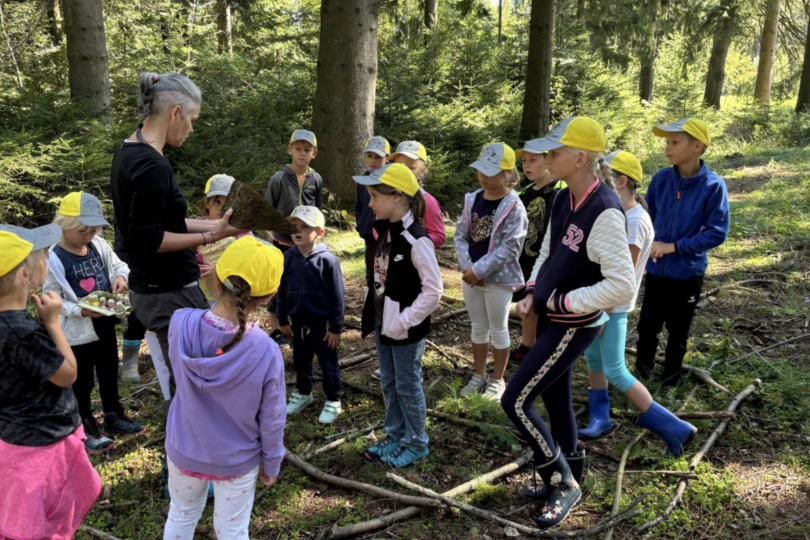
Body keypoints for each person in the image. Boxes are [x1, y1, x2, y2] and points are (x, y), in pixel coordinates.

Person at [505, 117, 636, 528]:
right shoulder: (563, 197)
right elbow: (548, 249)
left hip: (574, 325)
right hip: (550, 316)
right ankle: (573, 470)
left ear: (580, 159)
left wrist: (564, 300)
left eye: (554, 152)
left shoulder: (606, 213)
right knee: (556, 399)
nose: (545, 158)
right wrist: (532, 290)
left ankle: (562, 482)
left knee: (515, 401)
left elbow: (621, 285)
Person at [111, 72, 245, 397]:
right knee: (195, 384)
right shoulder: (153, 165)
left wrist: (215, 226)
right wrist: (210, 237)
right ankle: (189, 445)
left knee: (185, 379)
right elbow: (149, 239)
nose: (192, 128)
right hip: (170, 294)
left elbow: (162, 222)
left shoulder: (127, 151)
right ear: (175, 113)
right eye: (192, 119)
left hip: (150, 291)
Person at [163, 236, 287, 540]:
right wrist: (271, 462)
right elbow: (272, 417)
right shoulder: (266, 351)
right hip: (236, 461)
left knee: (181, 515)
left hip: (183, 452)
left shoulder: (180, 322)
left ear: (215, 279)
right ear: (270, 295)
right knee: (232, 530)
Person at [578, 151, 697, 455]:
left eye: (601, 177)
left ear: (620, 181)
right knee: (593, 359)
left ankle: (675, 427)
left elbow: (624, 273)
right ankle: (600, 417)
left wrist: (602, 311)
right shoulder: (619, 212)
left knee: (616, 369)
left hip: (611, 306)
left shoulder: (635, 221)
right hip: (598, 301)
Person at [0, 224, 101, 540]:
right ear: (24, 277)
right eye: (42, 255)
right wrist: (54, 324)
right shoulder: (23, 333)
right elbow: (68, 374)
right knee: (46, 519)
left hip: (10, 439)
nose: (47, 257)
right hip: (42, 444)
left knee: (18, 514)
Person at [354, 163, 442, 468]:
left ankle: (416, 442)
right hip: (383, 324)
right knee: (389, 382)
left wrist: (404, 321)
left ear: (397, 196)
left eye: (375, 196)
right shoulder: (385, 231)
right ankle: (395, 434)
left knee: (407, 384)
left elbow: (433, 291)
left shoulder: (417, 239)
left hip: (406, 330)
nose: (370, 203)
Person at [44, 192, 146, 453]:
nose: (88, 234)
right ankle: (86, 424)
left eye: (93, 228)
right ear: (64, 225)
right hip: (77, 333)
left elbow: (119, 265)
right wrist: (82, 311)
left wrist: (122, 276)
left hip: (104, 322)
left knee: (109, 370)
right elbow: (53, 299)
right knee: (82, 381)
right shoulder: (54, 258)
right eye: (82, 230)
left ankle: (113, 415)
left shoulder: (99, 245)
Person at [636, 118, 730, 385]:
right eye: (667, 142)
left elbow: (716, 232)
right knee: (647, 326)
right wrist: (649, 243)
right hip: (655, 269)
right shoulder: (662, 179)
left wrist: (674, 247)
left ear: (697, 146)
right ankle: (640, 379)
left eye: (675, 142)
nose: (668, 148)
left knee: (678, 331)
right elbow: (646, 216)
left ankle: (670, 382)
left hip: (688, 273)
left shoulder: (713, 185)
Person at [454, 142, 528, 402]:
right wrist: (468, 267)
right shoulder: (472, 199)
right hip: (470, 276)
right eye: (481, 170)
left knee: (498, 328)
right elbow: (461, 235)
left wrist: (480, 269)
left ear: (507, 173)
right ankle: (479, 374)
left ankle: (498, 379)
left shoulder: (514, 206)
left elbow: (511, 247)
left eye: (491, 172)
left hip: (499, 279)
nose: (484, 176)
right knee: (477, 326)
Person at [278, 206, 345, 424]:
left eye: (305, 226)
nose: (298, 230)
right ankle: (304, 392)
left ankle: (334, 398)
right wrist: (282, 319)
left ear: (320, 232)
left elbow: (337, 296)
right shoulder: (287, 258)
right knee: (300, 360)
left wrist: (335, 328)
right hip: (298, 323)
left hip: (322, 325)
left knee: (327, 362)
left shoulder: (327, 260)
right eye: (294, 226)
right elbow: (281, 290)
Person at [264, 129, 324, 349]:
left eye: (307, 150)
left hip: (307, 242)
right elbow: (268, 209)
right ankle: (276, 329)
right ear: (290, 149)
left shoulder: (316, 179)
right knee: (278, 284)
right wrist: (275, 232)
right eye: (298, 149)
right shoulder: (279, 178)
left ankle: (300, 324)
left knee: (304, 282)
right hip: (282, 241)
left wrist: (315, 233)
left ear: (314, 153)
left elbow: (317, 209)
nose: (302, 153)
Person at [510, 142, 563, 363]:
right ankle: (527, 344)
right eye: (524, 161)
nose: (527, 165)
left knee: (545, 304)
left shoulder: (560, 191)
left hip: (549, 258)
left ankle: (546, 347)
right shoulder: (525, 194)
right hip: (526, 258)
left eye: (533, 160)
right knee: (527, 303)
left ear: (548, 159)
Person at [195, 174, 253, 303]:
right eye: (217, 202)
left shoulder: (239, 230)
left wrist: (218, 269)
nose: (222, 208)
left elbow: (248, 259)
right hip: (200, 294)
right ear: (207, 203)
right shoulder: (196, 226)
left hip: (230, 295)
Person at [391, 140, 447, 249]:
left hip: (415, 262)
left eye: (410, 168)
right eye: (400, 167)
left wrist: (412, 239)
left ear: (422, 171)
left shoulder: (428, 202)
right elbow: (378, 223)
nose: (404, 172)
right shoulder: (387, 195)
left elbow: (439, 236)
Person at [355, 136, 391, 285]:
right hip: (369, 234)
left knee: (383, 270)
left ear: (387, 158)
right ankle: (370, 299)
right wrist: (361, 224)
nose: (373, 161)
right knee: (370, 268)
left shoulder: (390, 180)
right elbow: (358, 205)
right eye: (370, 156)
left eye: (378, 157)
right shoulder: (363, 180)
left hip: (385, 236)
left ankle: (383, 301)